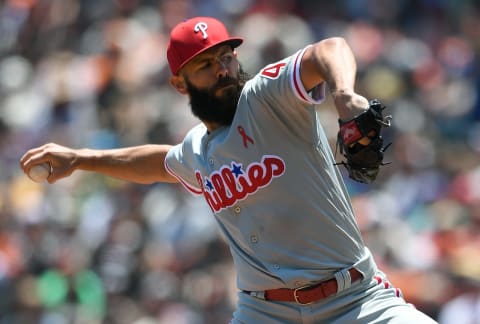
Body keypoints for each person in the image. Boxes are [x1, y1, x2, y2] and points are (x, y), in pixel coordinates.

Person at [20, 16, 437, 323]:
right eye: (205, 65)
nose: (222, 69)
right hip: (265, 311)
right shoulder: (197, 150)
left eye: (225, 56)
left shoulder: (267, 98)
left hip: (355, 300)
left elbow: (330, 49)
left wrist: (344, 94)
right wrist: (79, 159)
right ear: (179, 84)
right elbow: (157, 162)